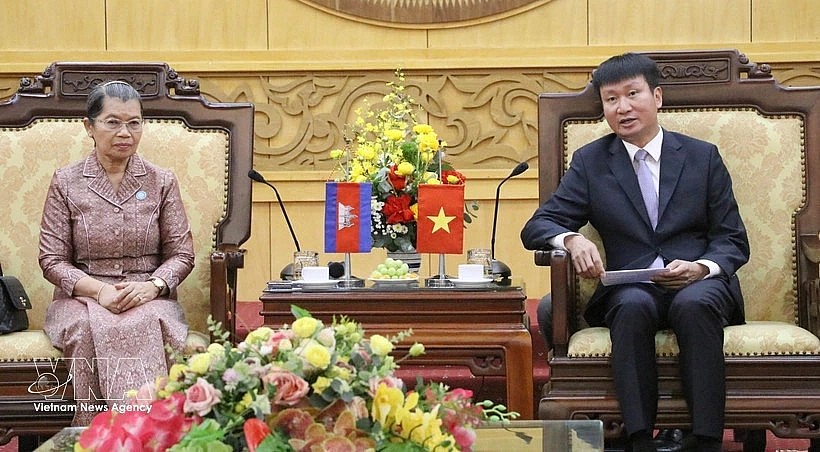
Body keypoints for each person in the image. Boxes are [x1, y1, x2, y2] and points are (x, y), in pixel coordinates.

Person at [521, 53, 750, 452]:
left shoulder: (702, 157)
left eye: (632, 94)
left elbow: (732, 240)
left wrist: (701, 267)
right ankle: (639, 437)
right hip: (633, 285)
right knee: (630, 307)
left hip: (698, 284)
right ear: (604, 108)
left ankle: (706, 438)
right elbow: (537, 227)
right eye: (611, 99)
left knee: (694, 305)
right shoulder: (592, 162)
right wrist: (571, 240)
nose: (623, 107)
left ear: (657, 97)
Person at [39, 81, 196, 425]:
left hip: (147, 294)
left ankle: (150, 434)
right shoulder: (66, 181)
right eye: (113, 122)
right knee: (85, 327)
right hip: (81, 296)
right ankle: (93, 435)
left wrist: (153, 286)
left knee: (144, 321)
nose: (125, 132)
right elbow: (51, 259)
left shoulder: (161, 180)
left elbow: (182, 254)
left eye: (134, 122)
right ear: (89, 126)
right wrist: (99, 291)